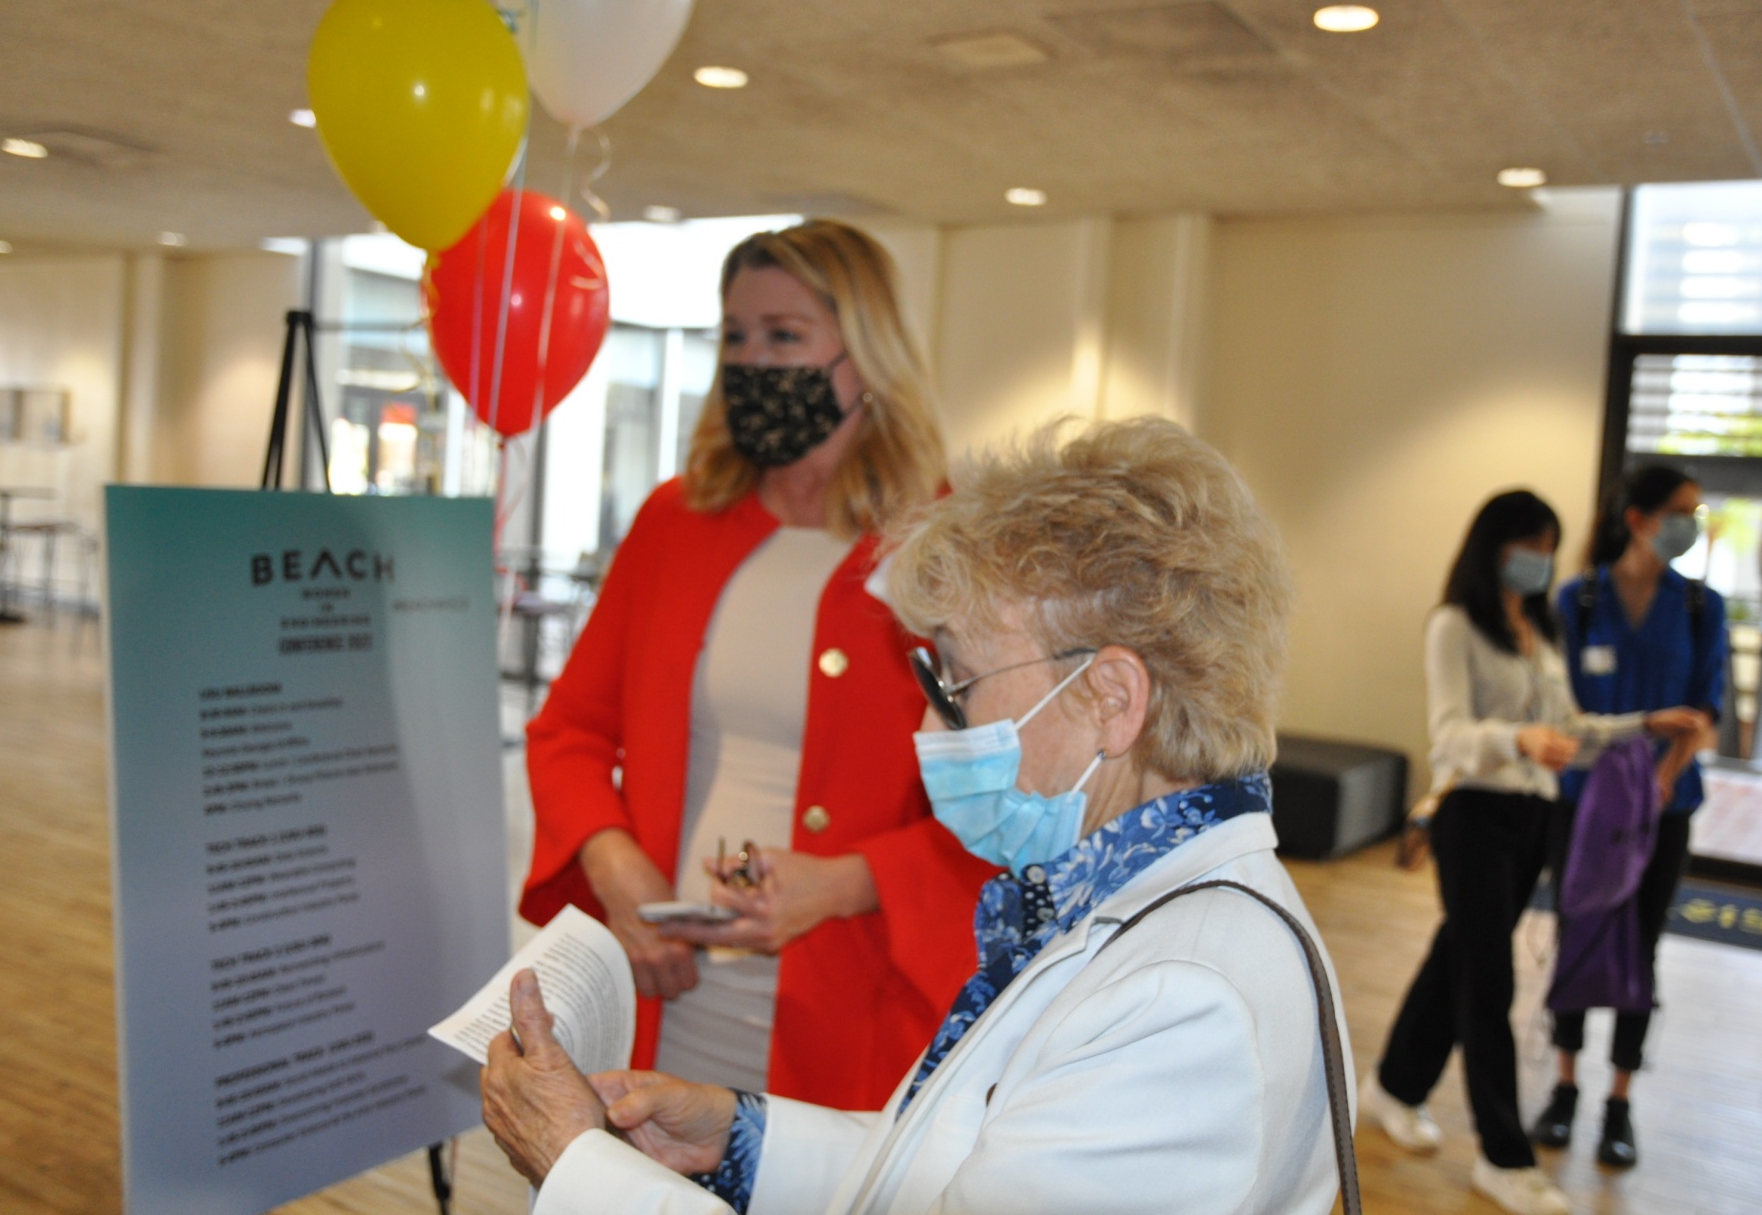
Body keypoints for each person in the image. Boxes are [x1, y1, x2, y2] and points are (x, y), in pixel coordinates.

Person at [481, 418, 1355, 1214]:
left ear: (1112, 697)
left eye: (956, 687)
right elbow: (966, 1168)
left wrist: (579, 1167)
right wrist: (740, 1140)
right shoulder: (1117, 904)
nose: (927, 728)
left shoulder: (1182, 1006)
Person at [520, 219, 996, 1110]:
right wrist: (616, 864)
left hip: (850, 1003)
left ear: (867, 356)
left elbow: (1009, 801)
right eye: (735, 337)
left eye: (785, 336)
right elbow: (570, 730)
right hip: (664, 990)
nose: (752, 363)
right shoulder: (676, 520)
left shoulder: (946, 545)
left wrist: (846, 881)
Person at [1359, 489, 1704, 1215]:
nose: (1542, 561)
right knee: (1488, 979)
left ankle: (1392, 1086)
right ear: (1495, 547)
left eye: (1550, 547)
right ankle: (1503, 1157)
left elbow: (1571, 725)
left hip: (1532, 818)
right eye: (1531, 546)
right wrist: (1515, 740)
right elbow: (1449, 733)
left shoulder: (1539, 632)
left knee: (1459, 951)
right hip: (1475, 813)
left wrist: (1647, 723)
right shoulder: (1454, 624)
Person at [1528, 465, 1724, 1167]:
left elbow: (1706, 715)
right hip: (1584, 803)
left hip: (1663, 811)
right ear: (1637, 517)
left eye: (1695, 513)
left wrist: (1664, 780)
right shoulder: (1575, 603)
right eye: (1680, 510)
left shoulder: (1703, 608)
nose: (1690, 524)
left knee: (1641, 943)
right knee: (1580, 929)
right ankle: (1565, 1087)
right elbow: (1558, 706)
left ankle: (1619, 1100)